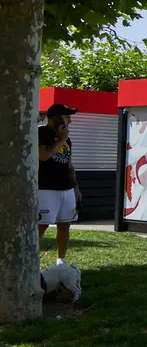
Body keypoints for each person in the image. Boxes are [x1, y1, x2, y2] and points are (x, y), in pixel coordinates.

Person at [38, 104, 82, 266]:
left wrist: (75, 188)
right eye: (67, 116)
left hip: (66, 188)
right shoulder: (42, 133)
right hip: (46, 189)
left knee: (65, 225)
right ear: (56, 118)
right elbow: (43, 156)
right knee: (41, 226)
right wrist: (61, 140)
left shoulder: (67, 138)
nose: (69, 120)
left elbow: (69, 164)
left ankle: (60, 261)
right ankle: (32, 263)